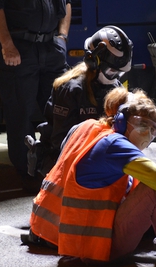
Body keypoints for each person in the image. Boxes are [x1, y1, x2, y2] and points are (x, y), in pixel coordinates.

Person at [22, 87, 156, 263]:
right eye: (143, 125)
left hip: (58, 231)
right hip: (99, 244)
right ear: (121, 120)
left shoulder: (87, 127)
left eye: (153, 130)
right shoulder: (115, 144)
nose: (147, 135)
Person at [0, 0, 72, 191]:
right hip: (18, 48)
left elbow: (67, 4)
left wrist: (62, 37)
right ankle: (28, 174)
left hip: (50, 47)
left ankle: (60, 167)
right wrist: (6, 44)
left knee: (62, 110)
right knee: (20, 113)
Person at [25, 26, 133, 178]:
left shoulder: (115, 86)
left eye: (119, 73)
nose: (115, 78)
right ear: (93, 61)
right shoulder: (70, 89)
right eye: (111, 72)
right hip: (68, 162)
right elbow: (62, 141)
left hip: (100, 158)